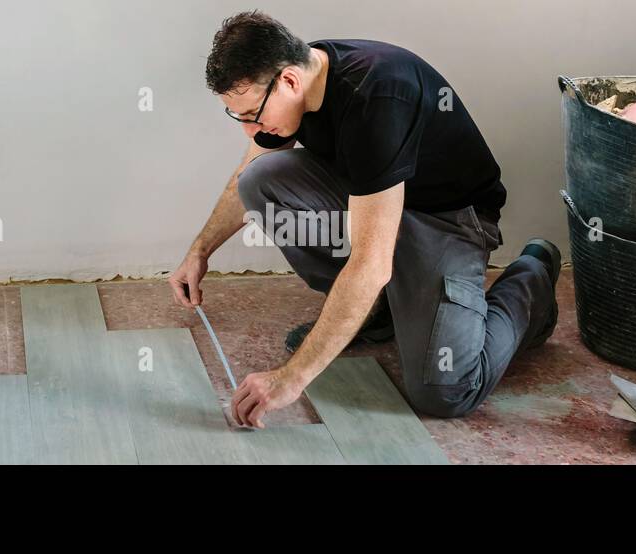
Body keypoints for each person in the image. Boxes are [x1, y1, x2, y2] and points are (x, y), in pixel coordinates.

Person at [168, 11, 560, 427]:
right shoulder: (299, 76)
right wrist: (199, 252)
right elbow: (246, 178)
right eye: (239, 117)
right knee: (260, 180)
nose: (250, 130)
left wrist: (291, 378)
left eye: (252, 115)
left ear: (288, 82)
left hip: (448, 220)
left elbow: (371, 264)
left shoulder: (377, 97)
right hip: (376, 203)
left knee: (445, 389)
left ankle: (531, 279)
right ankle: (380, 312)